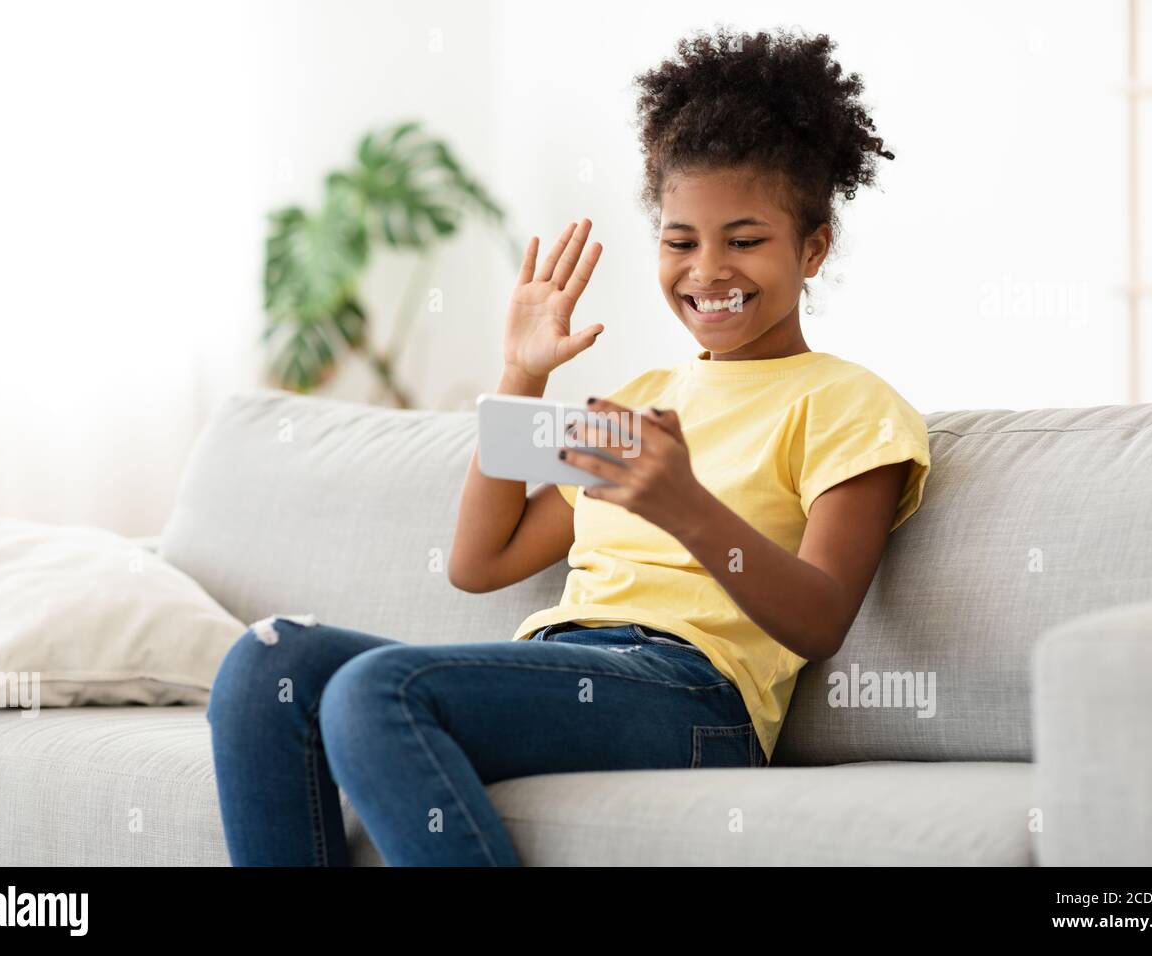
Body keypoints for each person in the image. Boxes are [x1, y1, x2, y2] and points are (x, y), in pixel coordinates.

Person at [208, 25, 931, 867]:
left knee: (376, 691)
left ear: (812, 248)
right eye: (679, 240)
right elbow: (479, 562)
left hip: (695, 697)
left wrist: (686, 507)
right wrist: (518, 376)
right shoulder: (638, 405)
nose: (707, 270)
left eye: (744, 240)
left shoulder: (851, 404)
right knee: (266, 666)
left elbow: (821, 620)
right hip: (563, 661)